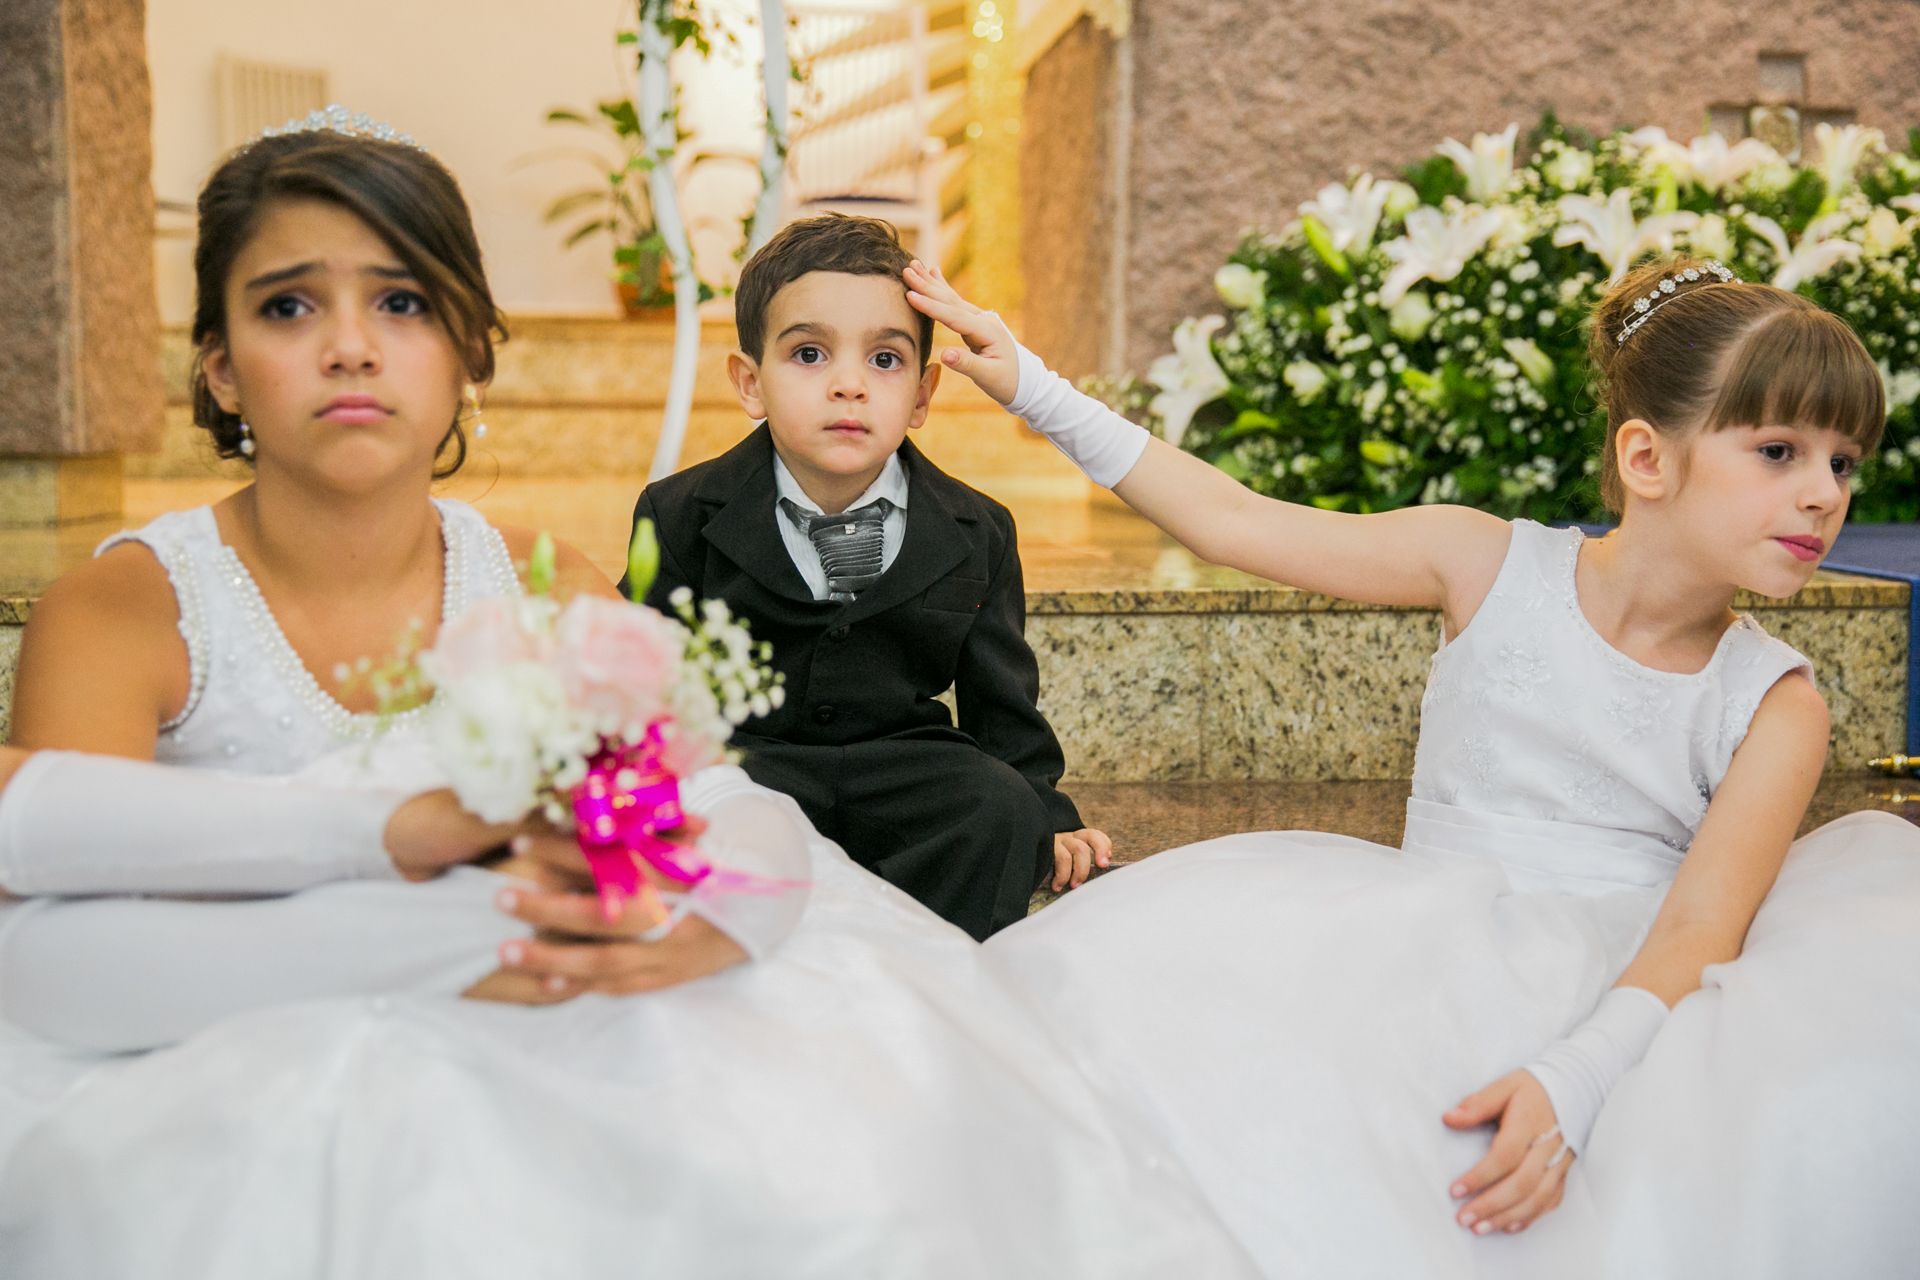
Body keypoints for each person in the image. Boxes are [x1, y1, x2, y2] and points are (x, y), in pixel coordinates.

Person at [0, 117, 1255, 1278]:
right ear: (219, 367)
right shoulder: (128, 610)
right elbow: (45, 953)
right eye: (288, 305)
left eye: (402, 301)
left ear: (471, 353)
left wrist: (728, 914)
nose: (350, 345)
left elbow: (721, 804)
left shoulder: (547, 587)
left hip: (567, 1040)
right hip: (239, 1089)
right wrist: (422, 873)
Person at [911, 254, 1920, 1277]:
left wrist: (1575, 1080)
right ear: (1647, 458)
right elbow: (1236, 521)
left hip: (1622, 996)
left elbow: (1700, 928)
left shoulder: (1775, 704)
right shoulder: (1484, 563)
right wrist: (1032, 385)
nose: (1821, 495)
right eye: (1780, 451)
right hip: (1412, 959)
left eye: (1844, 463)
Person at [623, 214, 1107, 940]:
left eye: (885, 360)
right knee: (691, 814)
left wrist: (1047, 811)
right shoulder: (680, 511)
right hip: (753, 761)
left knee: (997, 808)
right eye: (809, 354)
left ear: (922, 394)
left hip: (903, 766)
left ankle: (938, 970)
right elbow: (643, 676)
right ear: (751, 383)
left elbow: (1002, 701)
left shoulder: (977, 527)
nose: (849, 385)